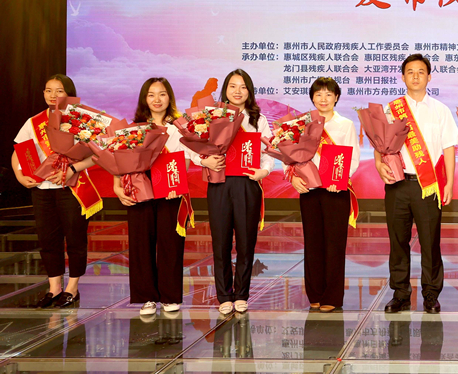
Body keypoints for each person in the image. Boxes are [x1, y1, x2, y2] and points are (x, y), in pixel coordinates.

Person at [375, 54, 458, 314]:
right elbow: (378, 142)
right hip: (398, 184)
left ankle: (431, 294)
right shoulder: (391, 109)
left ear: (429, 77)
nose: (415, 76)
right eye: (410, 72)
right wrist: (378, 164)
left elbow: (449, 148)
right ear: (403, 77)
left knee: (430, 242)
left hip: (428, 185)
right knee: (398, 241)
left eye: (421, 72)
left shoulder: (440, 110)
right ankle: (400, 294)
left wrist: (449, 183)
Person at [11, 74, 98, 308]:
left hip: (72, 187)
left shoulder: (82, 120)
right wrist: (19, 176)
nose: (53, 95)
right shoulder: (34, 122)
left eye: (59, 91)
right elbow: (18, 151)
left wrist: (72, 169)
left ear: (69, 93)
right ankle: (54, 288)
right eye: (48, 90)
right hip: (42, 188)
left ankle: (73, 288)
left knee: (75, 238)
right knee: (48, 240)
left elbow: (97, 154)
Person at [116, 77, 193, 316]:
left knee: (170, 242)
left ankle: (170, 296)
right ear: (144, 99)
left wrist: (177, 183)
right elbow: (120, 161)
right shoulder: (135, 128)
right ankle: (146, 297)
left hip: (170, 186)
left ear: (169, 97)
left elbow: (186, 160)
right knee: (141, 241)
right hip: (140, 186)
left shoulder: (179, 127)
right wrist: (118, 187)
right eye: (151, 95)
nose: (157, 99)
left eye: (162, 94)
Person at [199, 69, 272, 315]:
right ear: (225, 90)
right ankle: (223, 295)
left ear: (249, 91)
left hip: (247, 183)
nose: (237, 91)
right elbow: (193, 147)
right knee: (220, 242)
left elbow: (268, 152)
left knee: (245, 242)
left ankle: (241, 294)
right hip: (219, 182)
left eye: (243, 87)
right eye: (232, 86)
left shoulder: (258, 119)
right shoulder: (213, 116)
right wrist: (204, 161)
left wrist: (264, 171)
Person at [291, 77, 359, 312]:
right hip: (309, 190)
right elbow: (291, 156)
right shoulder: (302, 124)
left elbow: (353, 158)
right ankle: (315, 293)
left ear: (336, 97)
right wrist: (293, 177)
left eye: (328, 94)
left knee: (334, 244)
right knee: (313, 243)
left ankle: (332, 295)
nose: (323, 99)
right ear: (312, 97)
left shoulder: (345, 125)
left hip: (335, 191)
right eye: (318, 94)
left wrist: (338, 181)